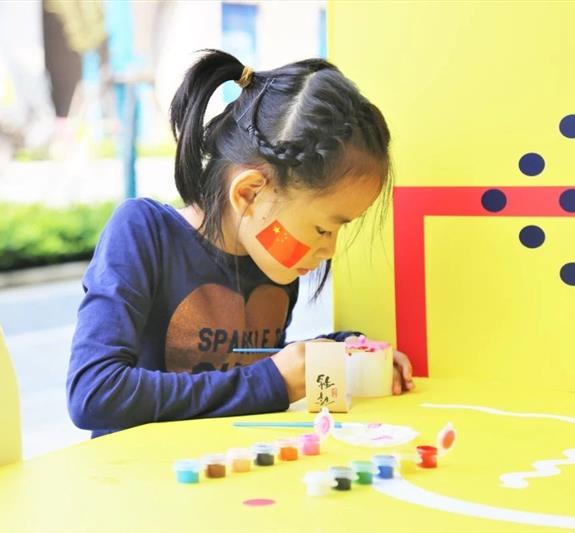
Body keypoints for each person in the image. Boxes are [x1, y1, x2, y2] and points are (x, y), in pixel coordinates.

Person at [67, 49, 413, 438]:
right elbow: (94, 393)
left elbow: (240, 367)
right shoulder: (143, 232)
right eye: (321, 229)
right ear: (249, 193)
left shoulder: (272, 262)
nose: (329, 250)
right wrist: (272, 383)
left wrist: (340, 350)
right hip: (138, 482)